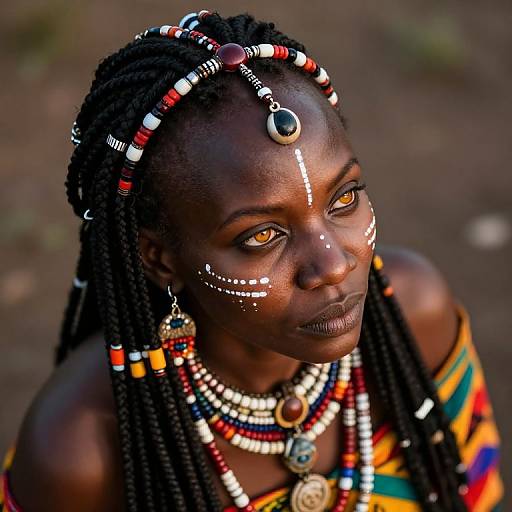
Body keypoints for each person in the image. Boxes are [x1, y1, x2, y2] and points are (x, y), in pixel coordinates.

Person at [0, 10, 504, 512]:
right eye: (262, 235)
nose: (331, 265)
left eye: (344, 199)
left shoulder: (417, 316)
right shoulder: (83, 452)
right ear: (160, 259)